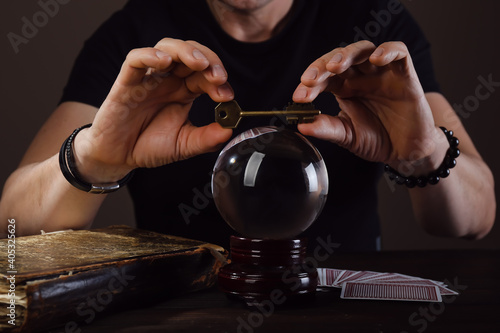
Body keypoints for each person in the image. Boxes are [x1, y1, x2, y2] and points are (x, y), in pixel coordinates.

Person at [0, 0, 495, 251]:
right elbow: (12, 224)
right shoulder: (135, 37)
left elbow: (474, 219)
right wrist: (98, 157)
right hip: (182, 310)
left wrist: (422, 152)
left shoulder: (377, 25)